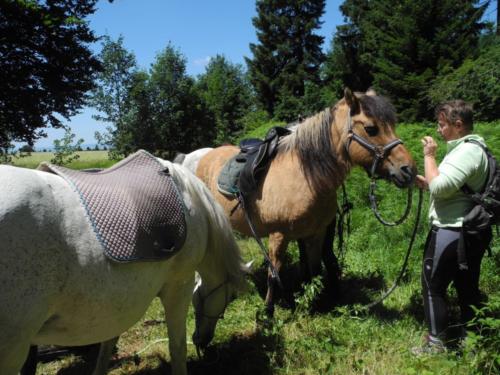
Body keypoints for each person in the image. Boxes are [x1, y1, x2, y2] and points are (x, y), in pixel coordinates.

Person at [413, 100, 492, 354]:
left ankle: (436, 344)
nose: (438, 130)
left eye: (442, 124)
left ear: (458, 125)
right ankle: (473, 341)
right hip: (466, 231)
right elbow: (448, 185)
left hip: (450, 230)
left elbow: (441, 188)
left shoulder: (468, 151)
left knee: (432, 287)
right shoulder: (466, 149)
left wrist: (429, 156)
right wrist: (428, 183)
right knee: (466, 286)